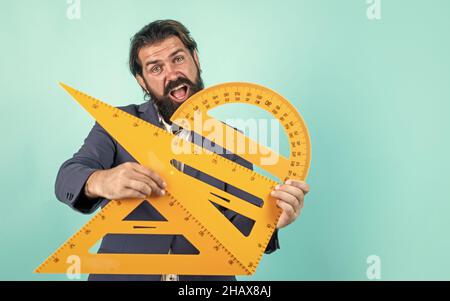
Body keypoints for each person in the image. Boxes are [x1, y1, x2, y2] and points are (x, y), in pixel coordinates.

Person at [55, 19, 310, 281]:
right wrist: (101, 180)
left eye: (178, 59)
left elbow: (240, 228)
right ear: (142, 81)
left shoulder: (232, 142)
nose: (172, 75)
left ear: (195, 60)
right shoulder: (117, 123)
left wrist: (272, 219)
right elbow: (68, 175)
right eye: (156, 68)